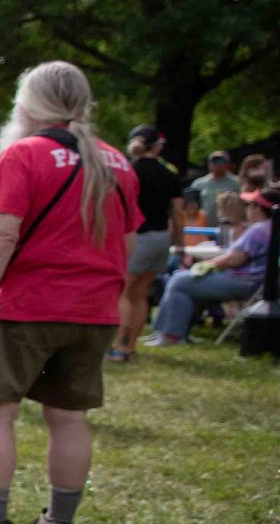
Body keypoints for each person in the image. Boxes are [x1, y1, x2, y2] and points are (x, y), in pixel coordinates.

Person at [0, 61, 139, 524]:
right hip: (94, 309)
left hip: (28, 305)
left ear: (28, 103)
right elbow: (127, 240)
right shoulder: (117, 162)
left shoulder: (24, 154)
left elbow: (1, 236)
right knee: (69, 418)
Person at [146, 185, 272, 345]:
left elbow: (235, 259)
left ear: (259, 209)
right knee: (182, 279)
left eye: (250, 205)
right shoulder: (270, 228)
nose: (247, 209)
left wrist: (208, 264)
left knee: (180, 281)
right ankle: (168, 332)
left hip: (244, 281)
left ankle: (171, 335)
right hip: (258, 283)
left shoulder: (259, 230)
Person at [114, 125, 182, 361]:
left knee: (124, 292)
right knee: (141, 293)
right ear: (158, 146)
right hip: (161, 238)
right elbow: (177, 212)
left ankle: (119, 347)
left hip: (137, 236)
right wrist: (179, 243)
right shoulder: (169, 174)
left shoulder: (129, 171)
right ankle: (131, 346)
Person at [186, 150, 240, 240]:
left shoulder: (237, 183)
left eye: (221, 161)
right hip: (203, 229)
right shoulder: (198, 184)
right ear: (209, 164)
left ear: (227, 164)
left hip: (228, 228)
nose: (217, 164)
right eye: (214, 162)